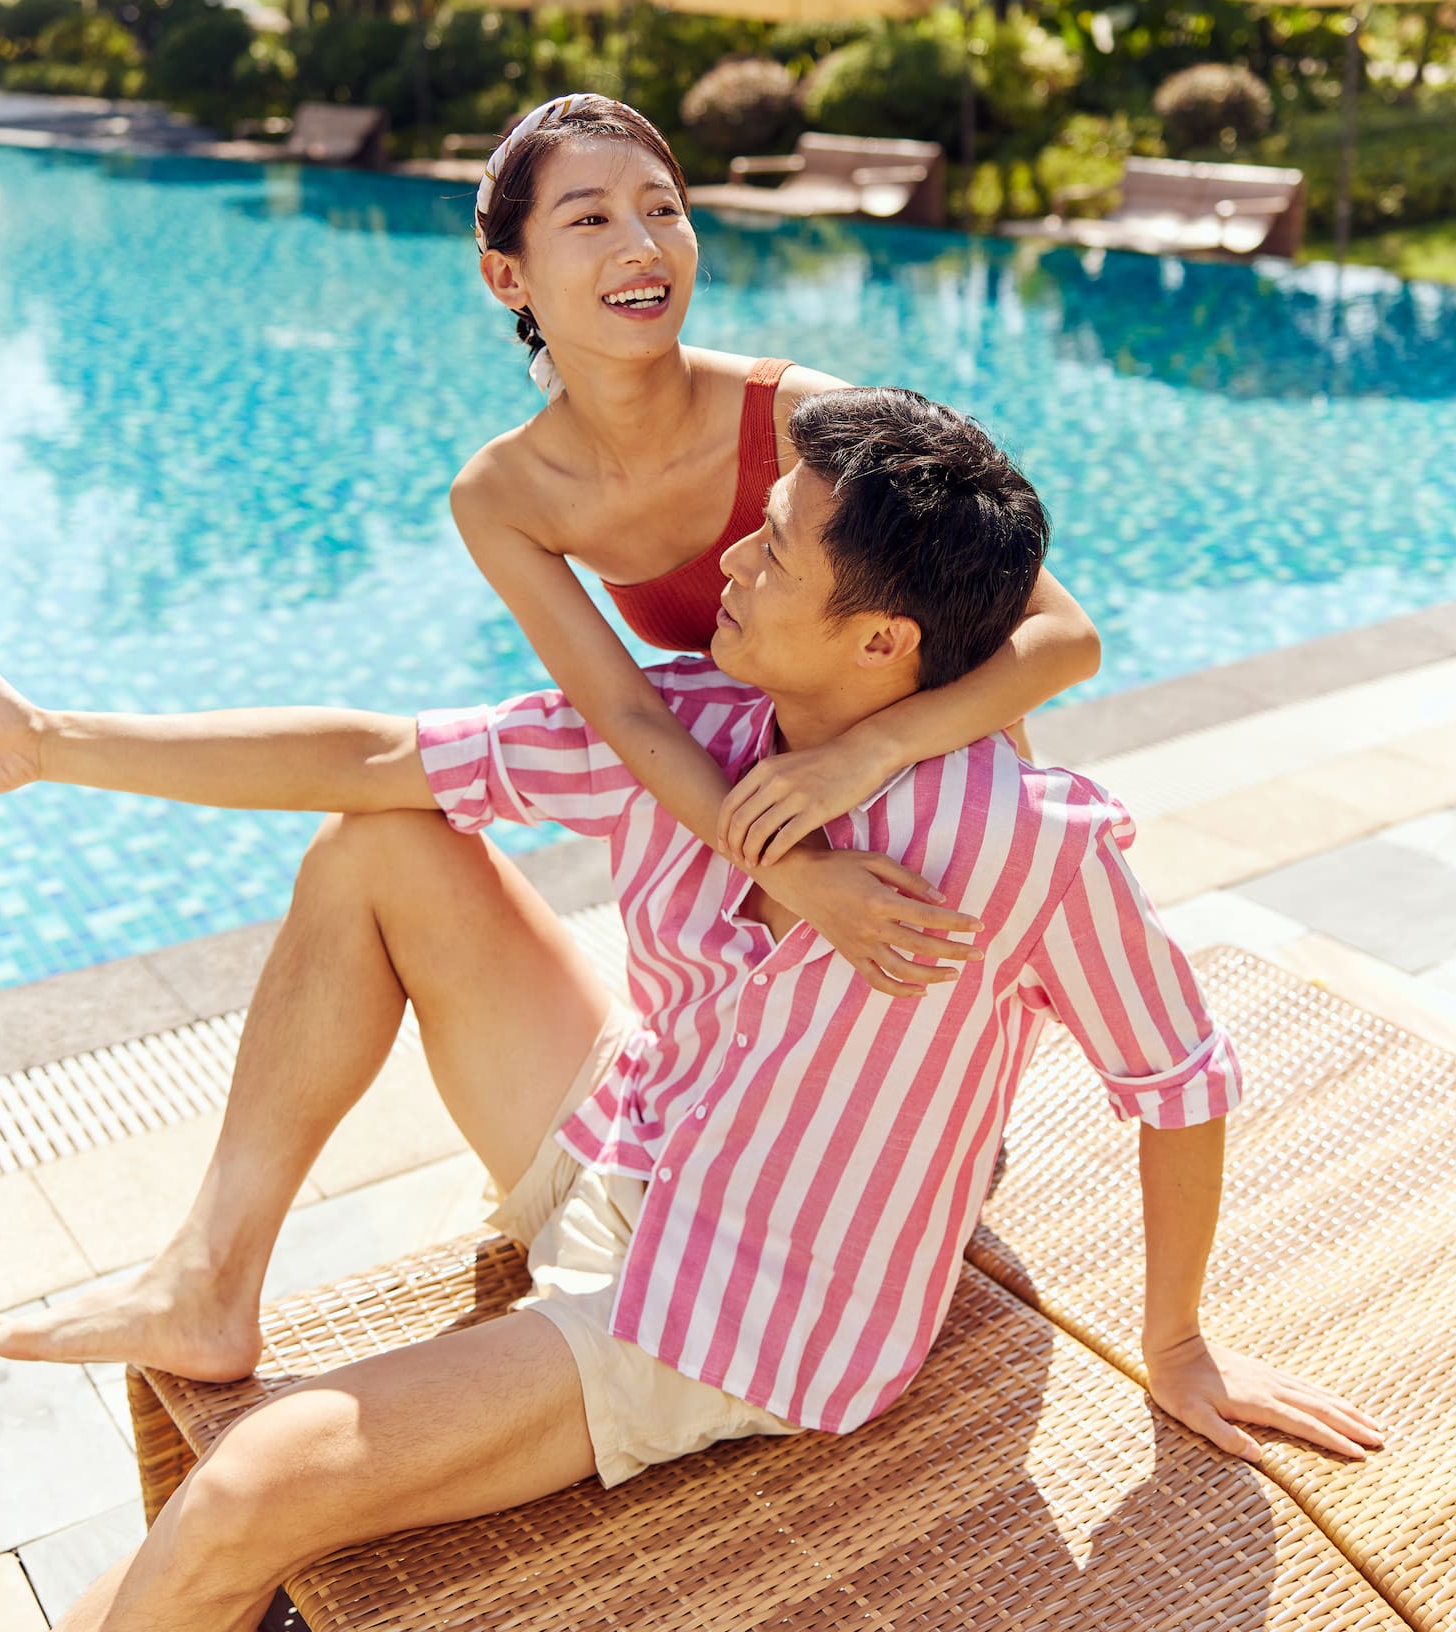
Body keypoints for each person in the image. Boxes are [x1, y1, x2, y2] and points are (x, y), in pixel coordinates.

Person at [0, 387, 1380, 1632]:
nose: (728, 556)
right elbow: (370, 757)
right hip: (626, 1139)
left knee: (251, 1488)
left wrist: (1175, 1344)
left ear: (882, 646)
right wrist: (48, 743)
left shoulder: (1020, 846)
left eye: (779, 549)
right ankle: (210, 1276)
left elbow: (1177, 1075)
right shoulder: (701, 727)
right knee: (382, 848)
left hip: (745, 1308)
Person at [452, 93, 1102, 999]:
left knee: (959, 1028)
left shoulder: (802, 415)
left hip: (943, 777)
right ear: (506, 278)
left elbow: (1067, 636)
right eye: (589, 217)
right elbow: (629, 714)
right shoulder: (504, 497)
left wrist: (870, 756)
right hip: (767, 789)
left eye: (663, 208)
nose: (642, 243)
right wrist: (786, 866)